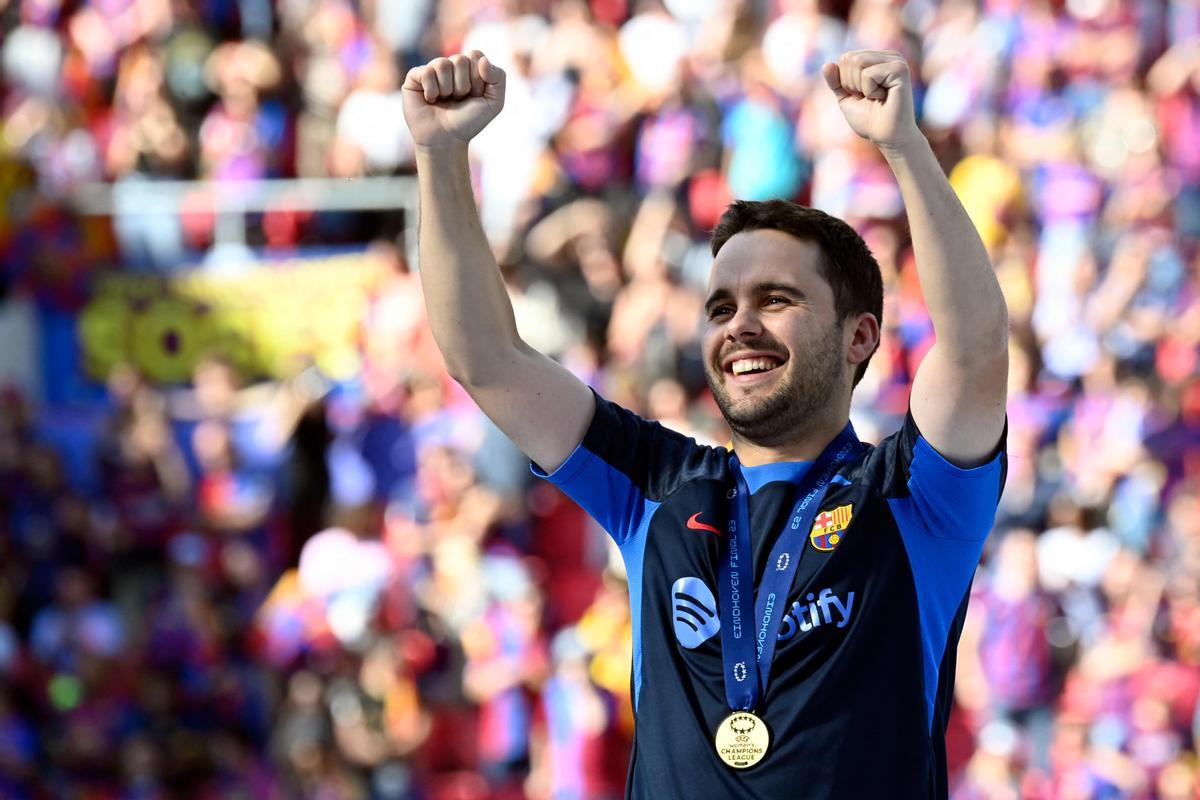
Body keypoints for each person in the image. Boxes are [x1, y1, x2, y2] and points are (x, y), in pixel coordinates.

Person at [402, 48, 1009, 799]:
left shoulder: (914, 499)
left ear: (859, 337)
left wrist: (904, 149)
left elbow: (976, 351)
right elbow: (486, 359)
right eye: (721, 307)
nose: (739, 326)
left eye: (776, 299)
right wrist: (439, 152)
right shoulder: (657, 484)